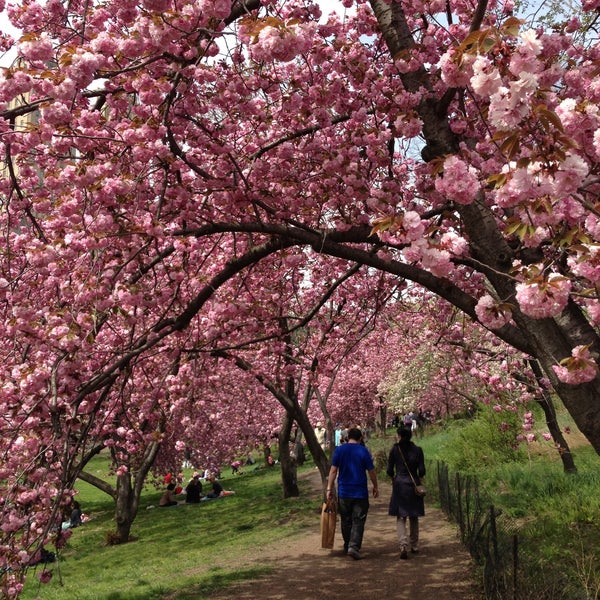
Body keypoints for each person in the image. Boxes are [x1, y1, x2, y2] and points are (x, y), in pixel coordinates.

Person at [326, 427, 379, 560]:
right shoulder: (363, 451)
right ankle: (353, 547)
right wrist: (375, 486)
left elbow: (333, 471)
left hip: (344, 492)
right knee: (358, 520)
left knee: (346, 519)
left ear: (347, 437)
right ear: (360, 438)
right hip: (360, 492)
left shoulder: (339, 450)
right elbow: (371, 471)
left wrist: (329, 488)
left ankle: (347, 545)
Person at [387, 426, 426, 559]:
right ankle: (414, 545)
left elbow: (389, 470)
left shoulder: (395, 449)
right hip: (413, 484)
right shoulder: (418, 450)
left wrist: (394, 477)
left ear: (399, 435)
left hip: (399, 484)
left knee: (401, 516)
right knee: (413, 516)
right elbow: (422, 471)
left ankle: (403, 545)